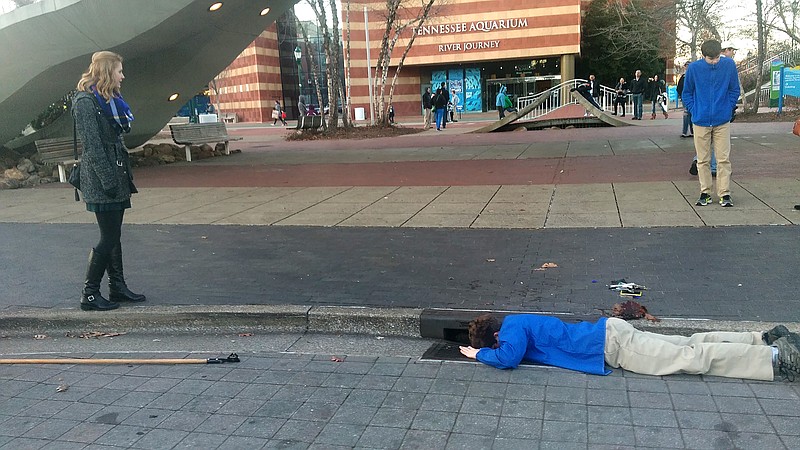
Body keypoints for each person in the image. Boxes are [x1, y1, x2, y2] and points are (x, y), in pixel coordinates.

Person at [459, 314, 800, 382]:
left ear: (493, 336)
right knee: (687, 343)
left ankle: (773, 358)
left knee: (690, 358)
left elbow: (508, 358)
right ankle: (760, 339)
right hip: (611, 332)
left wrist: (480, 355)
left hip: (614, 345)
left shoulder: (511, 332)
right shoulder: (517, 320)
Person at [72, 51, 145, 311]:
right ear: (106, 72)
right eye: (119, 71)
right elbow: (92, 146)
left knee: (114, 235)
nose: (122, 76)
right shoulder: (85, 102)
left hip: (116, 174)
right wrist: (108, 180)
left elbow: (115, 139)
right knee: (108, 235)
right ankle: (89, 294)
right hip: (102, 179)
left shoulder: (109, 100)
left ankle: (117, 286)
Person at [683, 39, 740, 207]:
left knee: (723, 159)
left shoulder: (728, 65)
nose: (715, 61)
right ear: (703, 56)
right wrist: (695, 110)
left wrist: (728, 109)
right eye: (711, 58)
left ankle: (725, 193)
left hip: (722, 120)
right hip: (700, 121)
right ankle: (705, 192)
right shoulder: (694, 68)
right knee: (703, 160)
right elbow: (687, 93)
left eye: (717, 57)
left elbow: (734, 89)